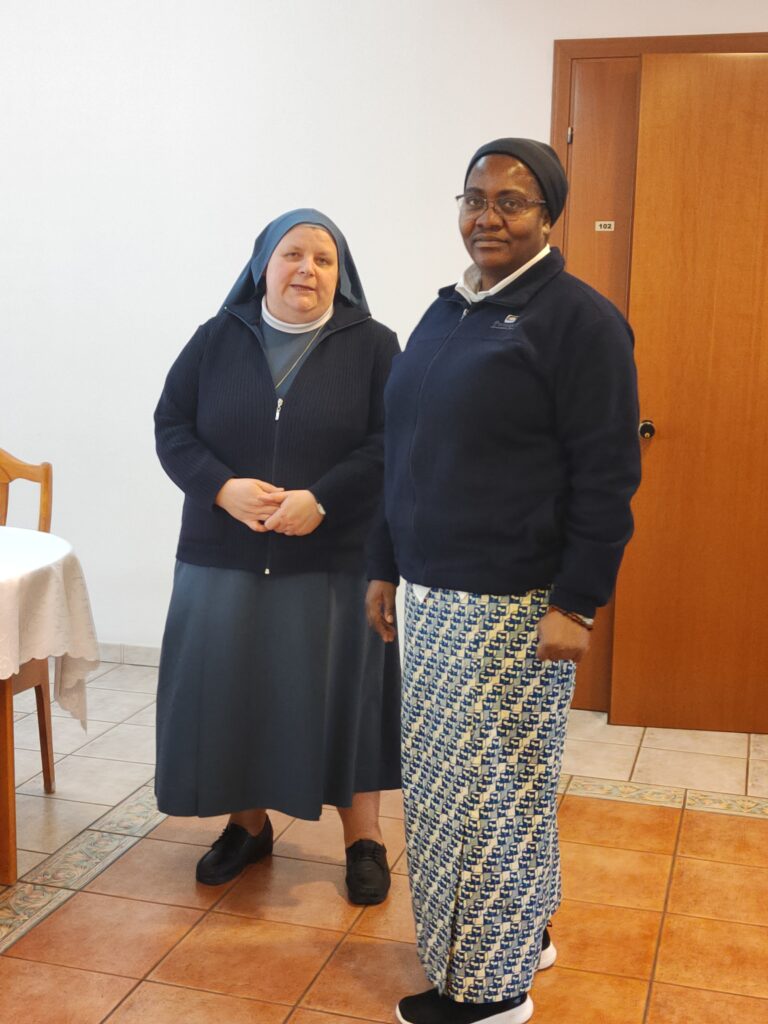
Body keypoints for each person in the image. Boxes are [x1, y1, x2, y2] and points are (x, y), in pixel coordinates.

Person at [366, 139, 641, 1023]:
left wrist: (577, 602)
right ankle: (529, 931)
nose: (487, 217)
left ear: (548, 216)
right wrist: (384, 563)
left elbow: (607, 476)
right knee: (463, 788)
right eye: (474, 199)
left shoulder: (580, 322)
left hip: (511, 603)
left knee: (488, 797)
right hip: (433, 593)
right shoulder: (448, 311)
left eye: (512, 202)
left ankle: (489, 994)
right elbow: (405, 447)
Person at [155, 208, 401, 905]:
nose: (307, 270)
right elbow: (171, 426)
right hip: (222, 553)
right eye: (292, 254)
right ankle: (248, 826)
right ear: (262, 263)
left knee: (347, 696)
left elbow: (394, 439)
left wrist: (323, 497)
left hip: (334, 557)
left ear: (340, 274)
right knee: (238, 692)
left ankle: (364, 841)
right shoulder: (215, 338)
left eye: (324, 259)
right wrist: (220, 488)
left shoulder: (375, 346)